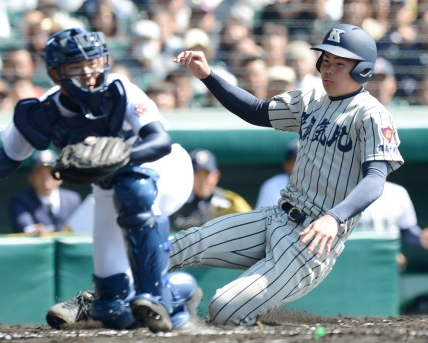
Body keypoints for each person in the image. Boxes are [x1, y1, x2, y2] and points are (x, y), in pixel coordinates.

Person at [165, 23, 404, 325]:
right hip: (275, 217)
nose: (328, 70)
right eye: (325, 61)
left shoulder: (373, 114)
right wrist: (208, 76)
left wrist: (334, 217)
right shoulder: (311, 100)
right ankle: (109, 302)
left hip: (310, 241)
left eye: (339, 64)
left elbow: (374, 180)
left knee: (225, 309)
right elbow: (255, 110)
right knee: (177, 246)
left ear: (363, 71)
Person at [0, 27, 201, 333]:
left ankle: (155, 295)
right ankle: (180, 295)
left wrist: (118, 155)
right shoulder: (44, 110)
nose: (89, 72)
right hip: (108, 186)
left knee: (132, 185)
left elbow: (159, 141)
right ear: (55, 73)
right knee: (114, 310)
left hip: (166, 170)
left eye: (93, 63)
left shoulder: (122, 90)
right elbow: (9, 157)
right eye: (76, 67)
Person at [355, 180, 428, 271]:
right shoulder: (344, 189)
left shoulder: (397, 192)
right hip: (351, 259)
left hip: (386, 260)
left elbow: (406, 230)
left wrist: (421, 237)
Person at [169, 149, 253, 232]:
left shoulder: (231, 203)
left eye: (207, 175)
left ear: (216, 176)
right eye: (197, 174)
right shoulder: (175, 203)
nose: (202, 181)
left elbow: (250, 229)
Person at [9, 149, 82, 236]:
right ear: (31, 178)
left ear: (60, 176)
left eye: (51, 172)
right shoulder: (20, 201)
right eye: (40, 174)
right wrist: (33, 230)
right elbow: (26, 226)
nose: (45, 178)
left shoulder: (73, 199)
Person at [254, 140, 298, 209]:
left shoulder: (320, 185)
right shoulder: (272, 186)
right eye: (298, 161)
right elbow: (265, 218)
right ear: (287, 165)